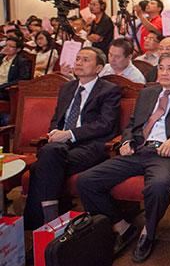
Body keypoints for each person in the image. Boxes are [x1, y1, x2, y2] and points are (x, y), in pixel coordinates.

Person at [77, 52, 170, 262]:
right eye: (161, 68)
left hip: (167, 155)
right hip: (138, 151)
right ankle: (122, 227)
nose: (164, 72)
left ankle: (149, 231)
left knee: (158, 186)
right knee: (86, 181)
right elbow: (132, 124)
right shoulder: (148, 93)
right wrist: (126, 141)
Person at [24, 47, 121, 229]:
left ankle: (42, 223)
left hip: (90, 146)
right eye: (77, 59)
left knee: (40, 167)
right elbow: (57, 119)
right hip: (61, 146)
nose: (79, 63)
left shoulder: (109, 90)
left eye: (85, 60)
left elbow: (105, 124)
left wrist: (70, 134)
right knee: (50, 155)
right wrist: (54, 132)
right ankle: (51, 220)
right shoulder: (67, 88)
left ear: (99, 68)